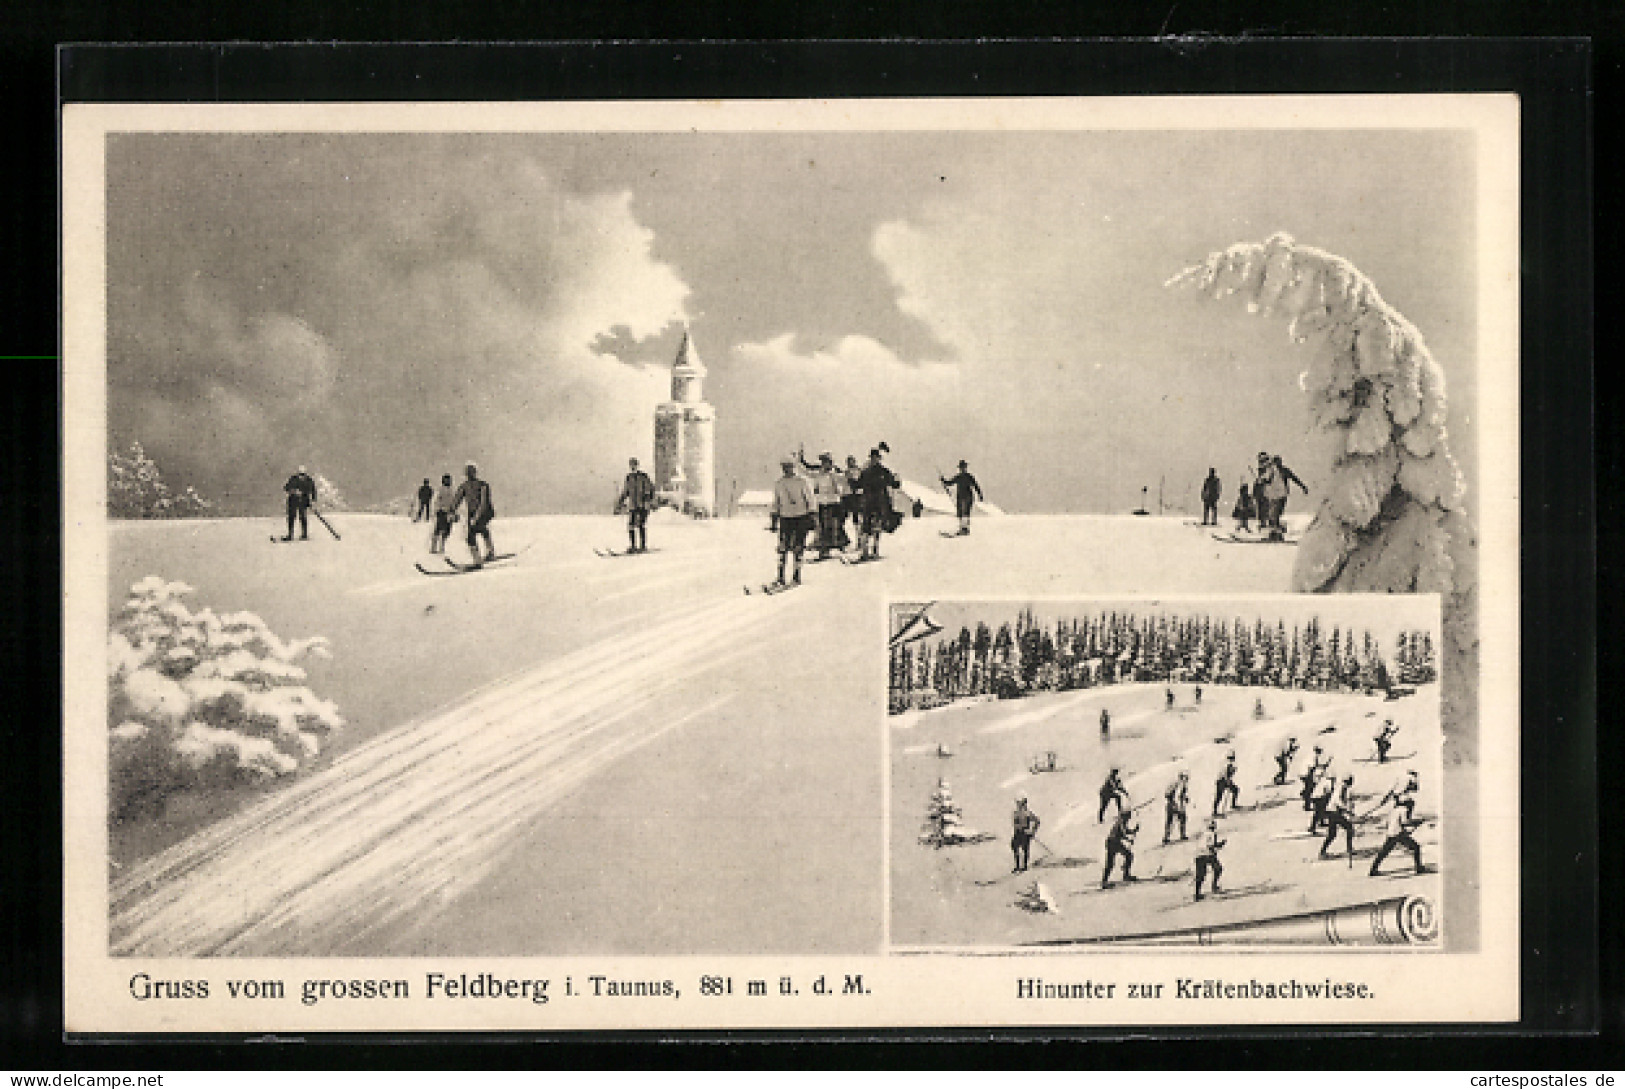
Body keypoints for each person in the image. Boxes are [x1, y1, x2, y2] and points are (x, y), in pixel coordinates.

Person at [770, 457, 815, 587]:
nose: (786, 469)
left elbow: (810, 499)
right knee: (783, 547)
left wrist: (811, 515)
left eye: (789, 466)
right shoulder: (779, 483)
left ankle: (796, 575)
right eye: (784, 467)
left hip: (800, 517)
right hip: (785, 517)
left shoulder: (802, 481)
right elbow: (776, 502)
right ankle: (780, 576)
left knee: (798, 547)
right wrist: (774, 518)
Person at [799, 449, 847, 559]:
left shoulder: (834, 473)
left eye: (825, 461)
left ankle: (834, 547)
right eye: (822, 461)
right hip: (821, 503)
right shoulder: (818, 474)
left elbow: (844, 479)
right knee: (821, 527)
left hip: (833, 503)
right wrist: (800, 460)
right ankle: (824, 549)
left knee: (834, 526)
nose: (824, 463)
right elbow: (806, 471)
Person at [856, 447, 901, 561]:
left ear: (879, 458)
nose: (874, 460)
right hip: (870, 502)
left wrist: (897, 481)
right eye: (872, 458)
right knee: (866, 526)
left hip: (879, 502)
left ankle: (875, 550)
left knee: (877, 526)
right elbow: (858, 485)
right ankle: (865, 551)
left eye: (876, 458)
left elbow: (894, 484)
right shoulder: (867, 472)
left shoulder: (883, 471)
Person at [1369, 790, 1427, 877]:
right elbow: (1405, 822)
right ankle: (1419, 868)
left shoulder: (1394, 810)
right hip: (1398, 834)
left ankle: (1373, 870)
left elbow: (1388, 823)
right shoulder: (1403, 810)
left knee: (1384, 852)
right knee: (1416, 847)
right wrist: (1417, 822)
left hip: (1391, 833)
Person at [450, 462, 496, 566]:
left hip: (484, 512)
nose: (470, 475)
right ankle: (490, 552)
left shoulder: (483, 485)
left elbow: (484, 503)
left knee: (471, 534)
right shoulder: (464, 486)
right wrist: (452, 510)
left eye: (471, 472)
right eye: (468, 473)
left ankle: (478, 560)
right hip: (473, 513)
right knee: (481, 530)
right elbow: (457, 499)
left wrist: (476, 516)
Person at [615, 457, 657, 554]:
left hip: (643, 505)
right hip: (633, 506)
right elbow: (626, 491)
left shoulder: (643, 477)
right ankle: (633, 546)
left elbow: (650, 489)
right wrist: (620, 502)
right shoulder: (629, 478)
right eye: (631, 465)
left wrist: (648, 499)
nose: (632, 467)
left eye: (634, 465)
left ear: (637, 465)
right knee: (631, 525)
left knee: (641, 525)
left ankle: (642, 546)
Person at [939, 460, 985, 536]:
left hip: (968, 497)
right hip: (960, 497)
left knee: (966, 513)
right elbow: (949, 483)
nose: (962, 469)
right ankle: (962, 528)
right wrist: (943, 480)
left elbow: (976, 486)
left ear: (965, 468)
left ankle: (965, 529)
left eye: (963, 467)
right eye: (961, 468)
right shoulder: (958, 477)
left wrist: (980, 495)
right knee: (960, 513)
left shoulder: (969, 477)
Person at [1267, 455, 1309, 535]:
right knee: (1274, 514)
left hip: (1281, 495)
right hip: (1274, 495)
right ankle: (1275, 532)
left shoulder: (1283, 471)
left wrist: (1303, 487)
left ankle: (1277, 532)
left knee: (1276, 513)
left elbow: (1294, 478)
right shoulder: (1272, 472)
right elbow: (1267, 481)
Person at [1319, 775, 1358, 860]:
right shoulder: (1340, 789)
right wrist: (1347, 810)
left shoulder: (1343, 788)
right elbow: (1338, 802)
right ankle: (1349, 849)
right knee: (1348, 828)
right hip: (1333, 812)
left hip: (1333, 812)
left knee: (1332, 834)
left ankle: (1323, 851)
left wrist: (1348, 810)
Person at [1100, 807, 1139, 888]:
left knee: (1128, 856)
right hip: (1113, 843)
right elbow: (1123, 833)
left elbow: (1125, 831)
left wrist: (1133, 831)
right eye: (1128, 816)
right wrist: (1129, 839)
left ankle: (1125, 875)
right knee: (1114, 862)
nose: (1129, 817)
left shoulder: (1121, 822)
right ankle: (1106, 882)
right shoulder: (1121, 822)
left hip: (1114, 842)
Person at [1193, 818, 1226, 901]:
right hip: (1206, 854)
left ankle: (1197, 893)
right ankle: (1214, 886)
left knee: (1201, 874)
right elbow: (1211, 846)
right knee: (1217, 868)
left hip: (1199, 855)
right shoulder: (1211, 834)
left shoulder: (1203, 834)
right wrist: (1220, 845)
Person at [282, 465, 317, 541]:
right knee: (291, 517)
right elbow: (286, 488)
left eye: (303, 474)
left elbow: (313, 491)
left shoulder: (309, 480)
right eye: (300, 474)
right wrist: (293, 491)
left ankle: (304, 534)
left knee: (303, 517)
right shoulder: (293, 479)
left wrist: (313, 501)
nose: (301, 476)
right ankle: (290, 535)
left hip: (303, 502)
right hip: (293, 501)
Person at [1011, 795, 1040, 874]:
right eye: (1018, 803)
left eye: (1021, 803)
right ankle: (1017, 866)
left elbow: (1037, 821)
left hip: (1025, 833)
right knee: (1014, 846)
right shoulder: (1015, 813)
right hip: (1017, 833)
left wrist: (1032, 831)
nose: (1019, 805)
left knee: (1025, 849)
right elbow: (1014, 824)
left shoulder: (1027, 813)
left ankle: (1024, 866)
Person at [429, 472, 457, 554]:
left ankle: (442, 546)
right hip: (441, 512)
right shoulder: (440, 490)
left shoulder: (453, 490)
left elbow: (455, 501)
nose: (447, 481)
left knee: (447, 530)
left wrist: (455, 512)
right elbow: (436, 500)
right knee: (438, 529)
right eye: (446, 480)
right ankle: (433, 547)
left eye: (449, 480)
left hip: (450, 512)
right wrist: (437, 509)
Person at [1308, 763, 1337, 834]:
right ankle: (1312, 827)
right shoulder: (1328, 782)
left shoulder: (1324, 780)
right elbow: (1328, 792)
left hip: (1317, 796)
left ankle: (1321, 822)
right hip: (1318, 797)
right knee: (1318, 812)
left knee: (1320, 811)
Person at [1162, 770, 1190, 844]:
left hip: (1175, 805)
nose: (1186, 780)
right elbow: (1168, 794)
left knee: (1177, 819)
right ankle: (1168, 837)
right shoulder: (1177, 785)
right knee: (1174, 819)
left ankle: (1169, 837)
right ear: (1181, 777)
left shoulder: (1181, 785)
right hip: (1174, 805)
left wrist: (1185, 799)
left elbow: (1182, 795)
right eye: (1185, 778)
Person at [1300, 746, 1330, 810]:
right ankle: (1307, 805)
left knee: (1309, 789)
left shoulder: (1313, 756)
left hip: (1305, 774)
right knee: (1310, 789)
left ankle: (1305, 799)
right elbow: (1312, 767)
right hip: (1306, 774)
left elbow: (1316, 766)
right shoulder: (1313, 757)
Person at [1212, 750, 1240, 817]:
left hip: (1224, 780)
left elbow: (1229, 774)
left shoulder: (1228, 764)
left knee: (1235, 790)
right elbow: (1225, 774)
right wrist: (1227, 781)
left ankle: (1233, 805)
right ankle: (1215, 811)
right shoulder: (1227, 764)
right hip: (1222, 781)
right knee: (1219, 796)